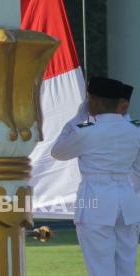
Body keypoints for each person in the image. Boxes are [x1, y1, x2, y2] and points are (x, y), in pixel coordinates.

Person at [51, 77, 140, 276]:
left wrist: (77, 119)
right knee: (126, 266)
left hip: (96, 200)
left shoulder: (87, 130)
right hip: (127, 201)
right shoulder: (135, 130)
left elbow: (58, 151)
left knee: (100, 268)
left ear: (93, 102)